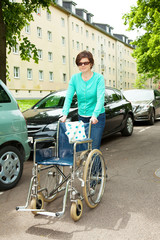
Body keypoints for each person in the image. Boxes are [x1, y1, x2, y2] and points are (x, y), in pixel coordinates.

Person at [60, 50, 105, 150]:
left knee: (93, 147)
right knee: (83, 147)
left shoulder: (98, 78)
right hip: (82, 117)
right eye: (80, 63)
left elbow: (100, 98)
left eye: (86, 63)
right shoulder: (74, 78)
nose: (83, 65)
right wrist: (64, 114)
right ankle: (86, 165)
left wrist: (95, 115)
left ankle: (96, 165)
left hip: (97, 118)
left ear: (91, 64)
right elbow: (68, 97)